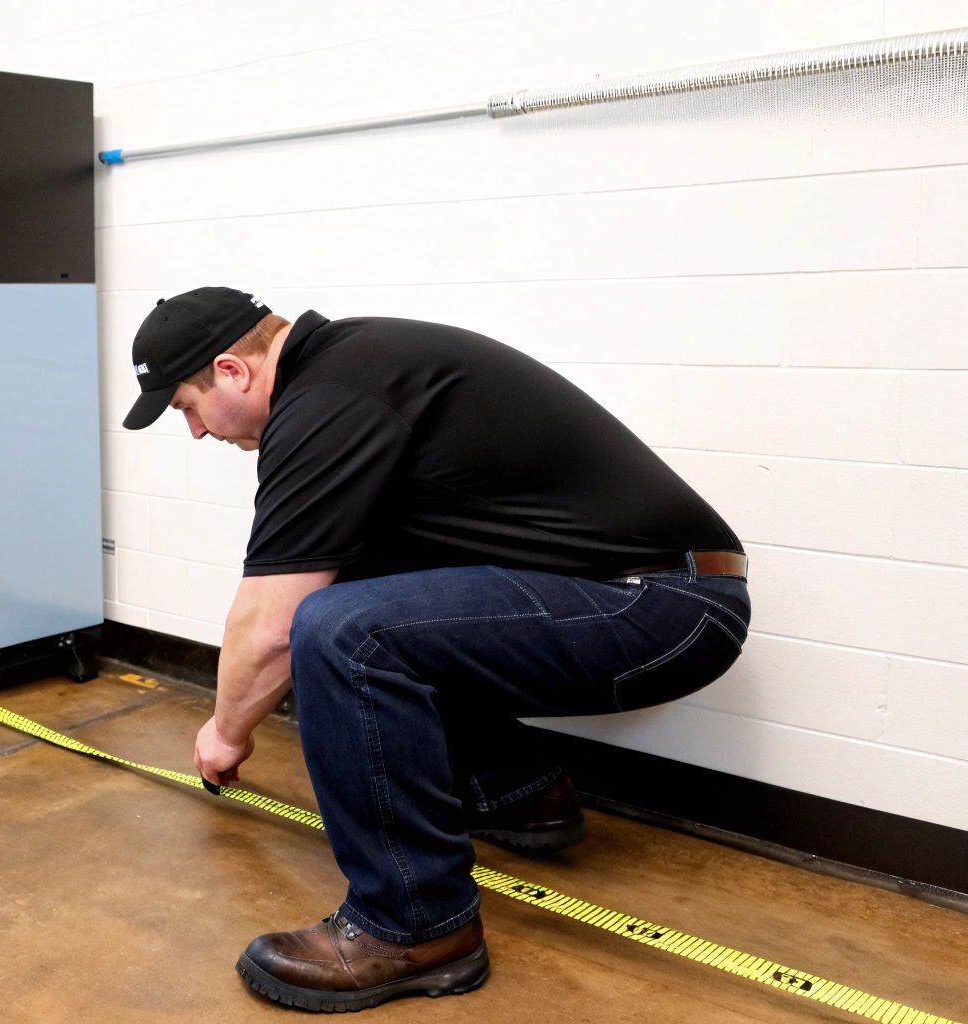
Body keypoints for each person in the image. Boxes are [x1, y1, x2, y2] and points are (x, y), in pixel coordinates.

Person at [122, 287, 750, 1013]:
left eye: (187, 408)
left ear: (232, 371)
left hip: (663, 608)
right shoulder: (354, 368)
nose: (197, 432)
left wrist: (224, 732)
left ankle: (416, 924)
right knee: (362, 585)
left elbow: (269, 628)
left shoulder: (330, 398)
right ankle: (519, 795)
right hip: (653, 594)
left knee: (337, 628)